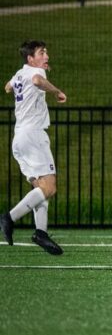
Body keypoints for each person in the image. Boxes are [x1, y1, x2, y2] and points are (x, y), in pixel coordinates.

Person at [1, 40, 66, 255]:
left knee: (40, 188)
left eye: (46, 51)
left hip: (19, 137)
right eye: (41, 52)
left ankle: (41, 232)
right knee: (49, 187)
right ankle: (9, 217)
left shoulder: (20, 73)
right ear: (31, 58)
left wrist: (17, 85)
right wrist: (56, 91)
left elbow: (7, 87)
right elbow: (37, 80)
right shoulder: (36, 72)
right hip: (33, 135)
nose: (46, 55)